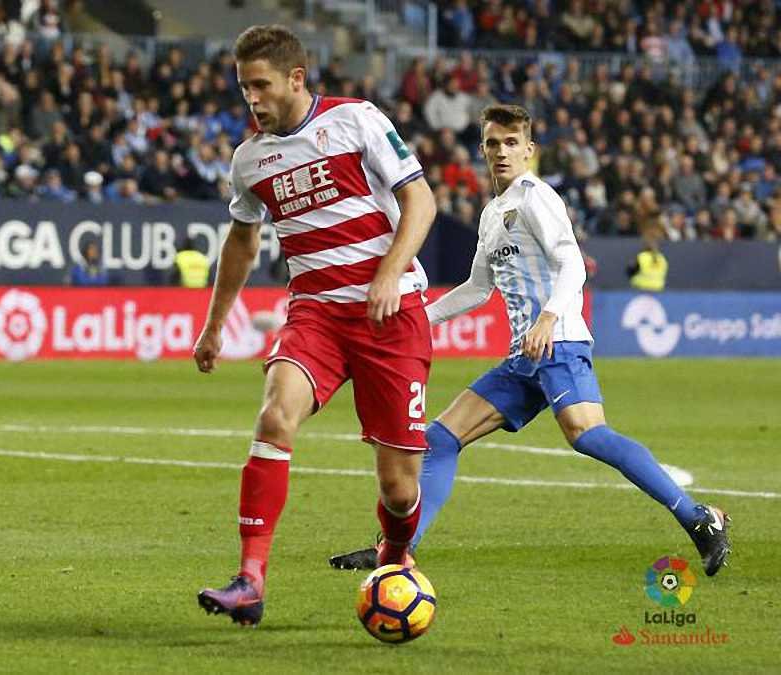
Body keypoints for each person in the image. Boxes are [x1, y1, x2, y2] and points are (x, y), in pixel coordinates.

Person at [327, 105, 730, 577]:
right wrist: (417, 318)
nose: (502, 152)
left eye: (511, 143)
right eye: (493, 143)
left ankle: (699, 517)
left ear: (529, 150)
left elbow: (572, 263)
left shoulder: (537, 198)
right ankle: (398, 549)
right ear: (482, 150)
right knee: (439, 439)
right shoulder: (492, 214)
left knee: (587, 434)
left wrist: (548, 318)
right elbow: (478, 288)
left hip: (557, 342)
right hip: (523, 358)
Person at [193, 24, 437, 626]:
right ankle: (250, 580)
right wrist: (214, 325)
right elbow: (242, 242)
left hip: (391, 317)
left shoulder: (356, 120)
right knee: (275, 416)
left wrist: (389, 272)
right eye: (244, 87)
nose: (252, 99)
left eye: (261, 85)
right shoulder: (250, 160)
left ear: (296, 78)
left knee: (399, 489)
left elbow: (422, 201)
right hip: (316, 315)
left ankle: (395, 555)